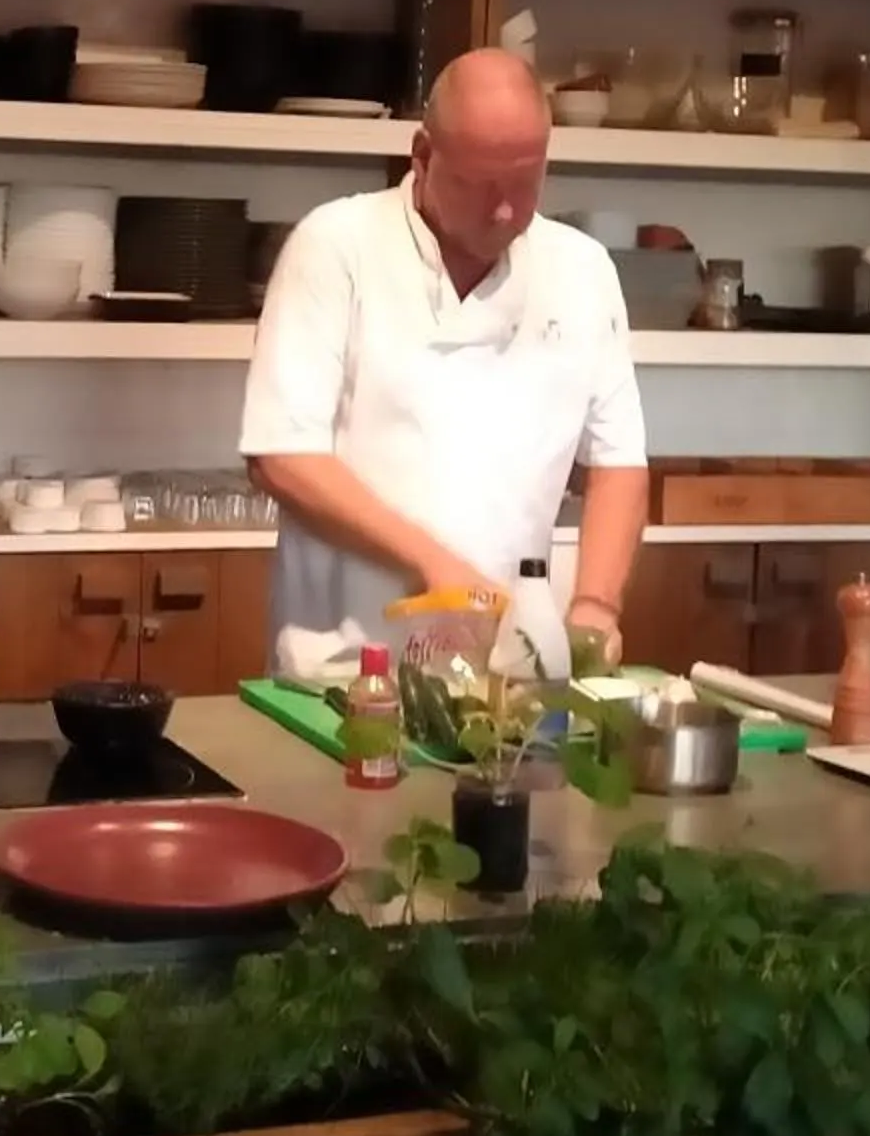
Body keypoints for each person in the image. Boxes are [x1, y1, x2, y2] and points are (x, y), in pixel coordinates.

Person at [239, 47, 648, 676]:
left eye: (525, 182)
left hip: (508, 671)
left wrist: (596, 606)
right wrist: (437, 566)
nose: (507, 210)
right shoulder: (337, 246)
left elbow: (619, 463)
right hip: (344, 673)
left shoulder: (582, 269)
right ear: (423, 155)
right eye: (482, 185)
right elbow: (281, 457)